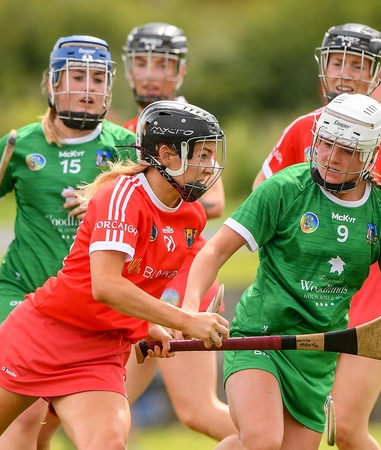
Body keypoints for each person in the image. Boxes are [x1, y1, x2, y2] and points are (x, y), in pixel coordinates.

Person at [0, 99, 231, 450]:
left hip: (100, 350)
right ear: (166, 155)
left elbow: (141, 285)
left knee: (107, 443)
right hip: (43, 335)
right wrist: (185, 319)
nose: (209, 167)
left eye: (212, 155)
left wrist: (151, 326)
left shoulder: (191, 216)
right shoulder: (121, 198)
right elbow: (106, 286)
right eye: (203, 154)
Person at [182, 93, 381, 450]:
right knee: (262, 440)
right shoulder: (286, 188)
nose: (331, 156)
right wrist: (190, 307)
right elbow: (215, 250)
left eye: (345, 149)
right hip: (259, 340)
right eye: (326, 143)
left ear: (369, 155)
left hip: (317, 358)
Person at [252, 23, 381, 449]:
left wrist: (375, 224)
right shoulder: (304, 127)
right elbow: (260, 194)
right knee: (276, 433)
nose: (344, 74)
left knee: (344, 428)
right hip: (309, 295)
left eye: (357, 65)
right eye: (337, 61)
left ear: (376, 76)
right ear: (323, 66)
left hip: (372, 292)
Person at [0, 35, 137, 449]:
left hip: (84, 303)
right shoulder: (20, 144)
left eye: (97, 79)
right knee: (28, 410)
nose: (88, 89)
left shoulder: (123, 147)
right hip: (23, 291)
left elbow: (141, 212)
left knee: (47, 424)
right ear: (53, 83)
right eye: (77, 76)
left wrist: (98, 199)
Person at [119, 22, 235, 440]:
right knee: (110, 400)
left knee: (197, 410)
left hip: (178, 273)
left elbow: (216, 200)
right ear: (129, 69)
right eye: (142, 62)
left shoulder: (190, 122)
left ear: (180, 71)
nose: (151, 73)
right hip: (139, 277)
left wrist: (148, 205)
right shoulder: (130, 125)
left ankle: (280, 437)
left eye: (162, 64)